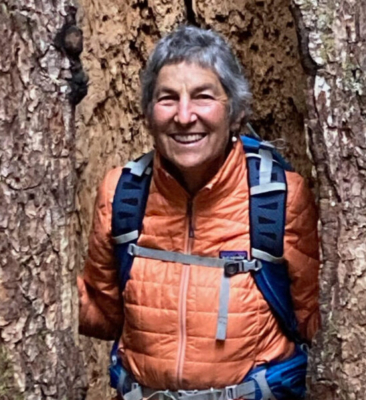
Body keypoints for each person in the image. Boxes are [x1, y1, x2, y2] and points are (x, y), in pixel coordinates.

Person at [77, 25, 320, 400]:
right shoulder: (123, 193)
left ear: (235, 113)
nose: (185, 116)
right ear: (147, 113)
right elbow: (104, 313)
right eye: (167, 98)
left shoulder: (278, 198)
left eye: (203, 97)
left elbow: (319, 323)